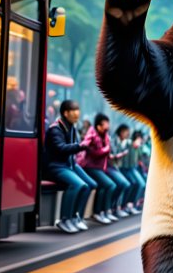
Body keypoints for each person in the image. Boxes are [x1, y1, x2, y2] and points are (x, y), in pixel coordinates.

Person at [43, 99, 97, 234]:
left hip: (69, 164)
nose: (77, 113)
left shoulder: (71, 126)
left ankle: (76, 217)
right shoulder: (55, 129)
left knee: (91, 184)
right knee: (78, 185)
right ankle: (65, 219)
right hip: (56, 166)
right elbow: (60, 148)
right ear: (66, 113)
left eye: (78, 109)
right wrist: (80, 146)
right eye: (74, 110)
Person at [78, 113, 129, 222]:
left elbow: (109, 152)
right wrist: (106, 150)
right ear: (98, 126)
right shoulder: (92, 134)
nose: (108, 126)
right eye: (106, 124)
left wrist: (109, 151)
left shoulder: (105, 135)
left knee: (109, 185)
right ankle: (98, 212)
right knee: (109, 185)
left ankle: (105, 211)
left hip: (102, 167)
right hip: (90, 166)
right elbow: (91, 150)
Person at [119, 129, 146, 213]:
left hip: (132, 169)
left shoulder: (137, 148)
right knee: (133, 183)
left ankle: (133, 204)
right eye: (139, 139)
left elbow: (139, 158)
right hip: (125, 169)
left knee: (141, 183)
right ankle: (126, 205)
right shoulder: (128, 144)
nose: (140, 141)